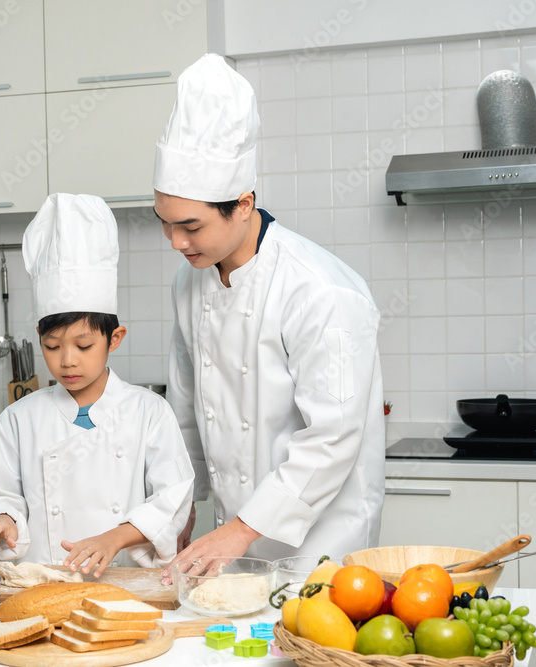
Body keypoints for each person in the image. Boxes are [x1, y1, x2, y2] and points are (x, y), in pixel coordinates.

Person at [152, 54, 386, 572]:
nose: (175, 241)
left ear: (242, 203)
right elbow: (188, 410)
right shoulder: (189, 281)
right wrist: (182, 501)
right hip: (234, 545)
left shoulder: (320, 290)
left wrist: (240, 531)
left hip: (323, 550)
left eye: (190, 225)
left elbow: (332, 438)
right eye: (164, 222)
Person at [0, 193, 195, 577]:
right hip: (43, 584)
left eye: (84, 345)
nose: (67, 360)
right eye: (52, 346)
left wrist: (114, 538)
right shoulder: (19, 419)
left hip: (126, 584)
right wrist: (1, 519)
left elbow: (173, 499)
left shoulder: (148, 412)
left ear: (115, 338)